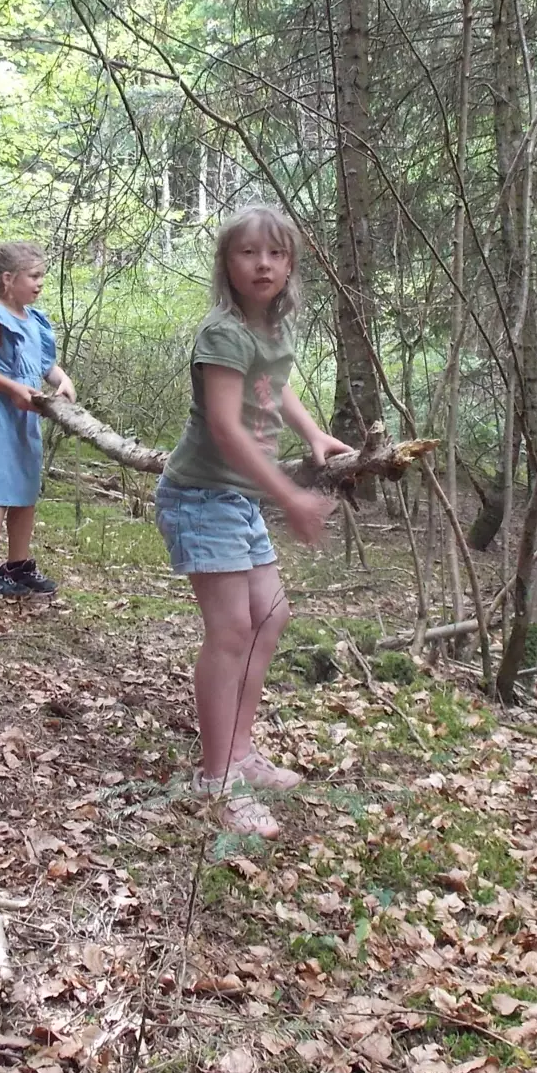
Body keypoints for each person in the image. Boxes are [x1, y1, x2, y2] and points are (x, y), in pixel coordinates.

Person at [155, 206, 355, 838]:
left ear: (290, 264)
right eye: (248, 253)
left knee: (271, 617)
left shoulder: (273, 332)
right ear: (227, 264)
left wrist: (314, 434)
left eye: (275, 253)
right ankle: (216, 780)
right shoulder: (223, 334)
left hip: (238, 501)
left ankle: (240, 753)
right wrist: (291, 496)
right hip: (200, 496)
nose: (263, 264)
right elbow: (225, 425)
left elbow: (276, 389)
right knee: (232, 631)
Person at [0, 241, 76, 600]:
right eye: (34, 276)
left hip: (26, 417)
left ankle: (17, 565)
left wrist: (62, 380)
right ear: (8, 279)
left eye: (42, 277)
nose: (40, 284)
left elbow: (44, 366)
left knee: (24, 490)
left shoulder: (34, 320)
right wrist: (12, 389)